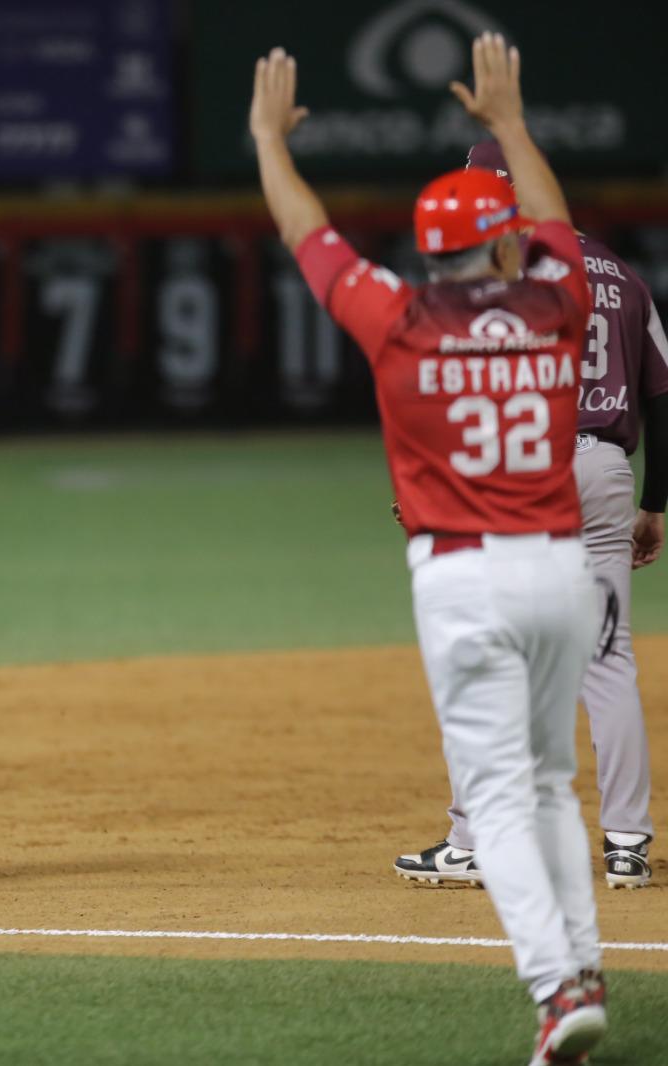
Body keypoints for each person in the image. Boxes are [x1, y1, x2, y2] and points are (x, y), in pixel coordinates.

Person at [251, 34, 608, 1063]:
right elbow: (557, 224)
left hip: (463, 576)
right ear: (500, 247)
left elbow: (306, 232)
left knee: (495, 794)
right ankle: (583, 967)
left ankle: (557, 991)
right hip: (560, 568)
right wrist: (510, 126)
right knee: (550, 782)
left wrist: (269, 141)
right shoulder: (556, 305)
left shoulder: (398, 317)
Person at [395, 139, 665, 891]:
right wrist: (655, 502)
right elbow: (664, 396)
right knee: (608, 660)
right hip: (606, 470)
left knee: (487, 655)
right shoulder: (622, 274)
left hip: (521, 475)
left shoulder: (502, 275)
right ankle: (628, 843)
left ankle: (476, 840)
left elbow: (463, 384)